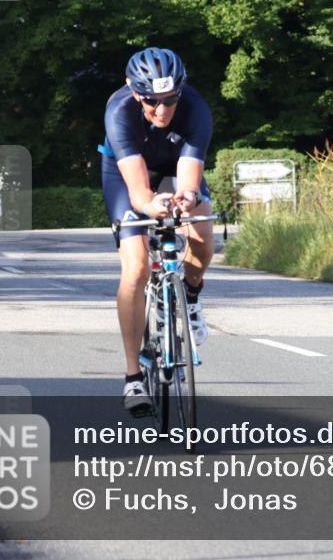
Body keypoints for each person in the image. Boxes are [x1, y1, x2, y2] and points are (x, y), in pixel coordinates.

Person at [100, 47, 215, 416]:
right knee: (134, 268)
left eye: (170, 100)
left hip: (174, 166)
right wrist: (153, 206)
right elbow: (138, 193)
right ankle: (133, 374)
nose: (162, 110)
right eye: (151, 101)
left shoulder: (196, 109)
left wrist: (186, 199)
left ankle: (191, 297)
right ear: (134, 92)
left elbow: (189, 176)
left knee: (202, 227)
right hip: (127, 174)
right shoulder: (118, 112)